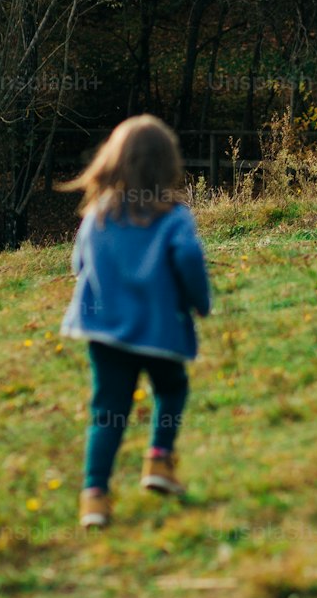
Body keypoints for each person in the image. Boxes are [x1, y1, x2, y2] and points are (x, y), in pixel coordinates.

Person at [59, 115, 211, 528]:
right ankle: (159, 461)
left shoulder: (98, 215)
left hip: (104, 331)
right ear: (167, 165)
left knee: (107, 409)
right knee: (172, 387)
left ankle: (94, 496)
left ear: (113, 160)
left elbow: (79, 265)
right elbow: (188, 260)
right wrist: (200, 302)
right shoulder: (174, 217)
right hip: (159, 330)